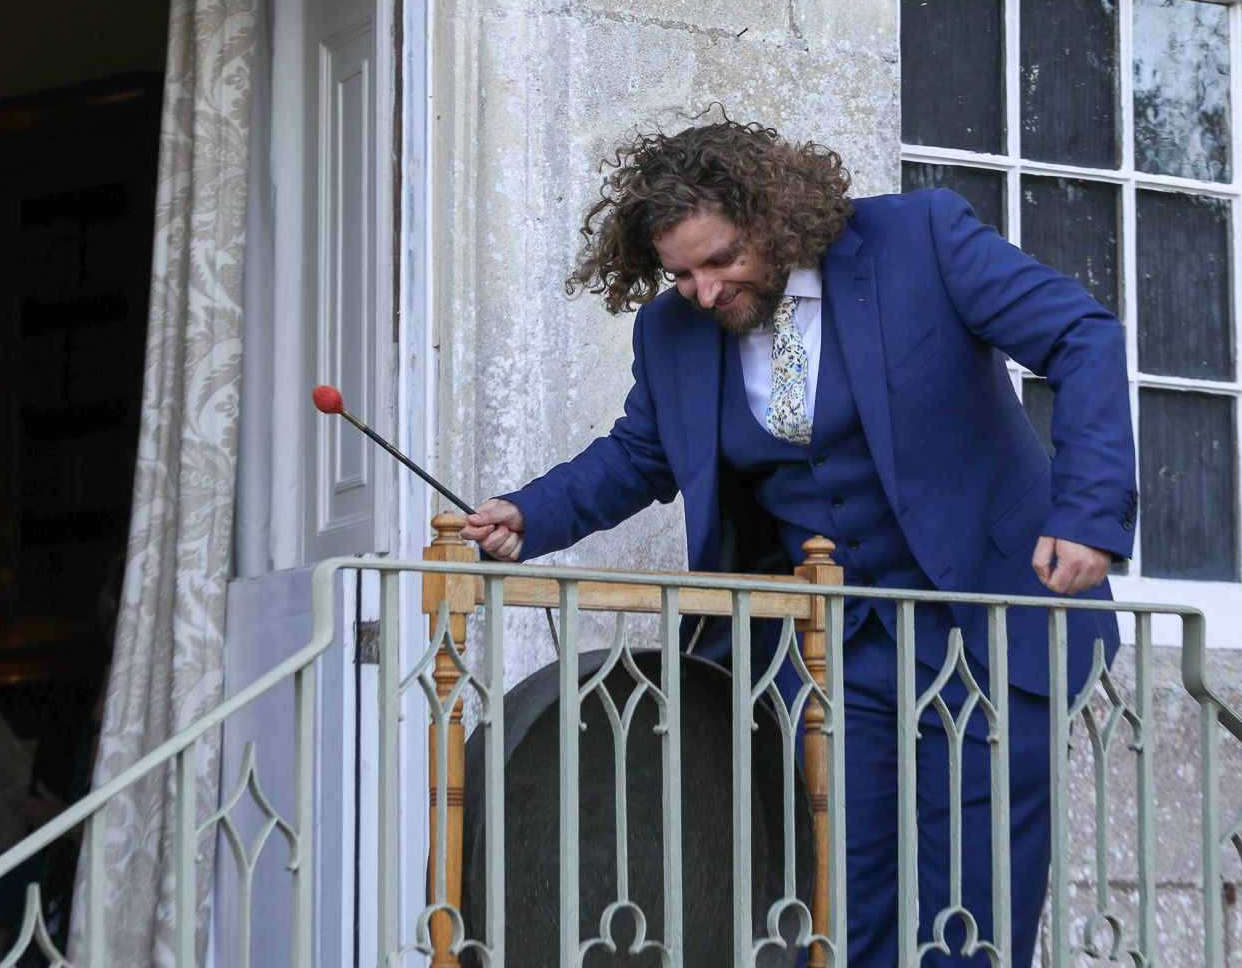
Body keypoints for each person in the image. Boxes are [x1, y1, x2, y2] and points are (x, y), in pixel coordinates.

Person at [465, 117, 1136, 966]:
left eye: (721, 261)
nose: (704, 291)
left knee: (973, 910)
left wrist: (1086, 512)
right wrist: (530, 515)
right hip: (827, 651)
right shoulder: (672, 331)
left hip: (988, 623)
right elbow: (640, 454)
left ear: (774, 217)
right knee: (834, 903)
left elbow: (1082, 336)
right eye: (681, 274)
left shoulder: (921, 240)